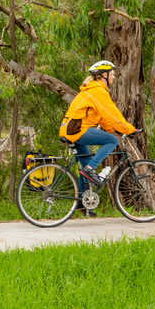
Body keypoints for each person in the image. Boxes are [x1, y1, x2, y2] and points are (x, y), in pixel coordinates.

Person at [60, 60, 137, 211]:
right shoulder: (98, 91)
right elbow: (112, 113)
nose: (114, 77)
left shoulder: (92, 90)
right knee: (111, 141)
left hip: (73, 130)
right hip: (78, 131)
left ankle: (81, 202)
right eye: (113, 74)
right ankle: (90, 169)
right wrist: (128, 129)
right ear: (104, 75)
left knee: (86, 165)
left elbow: (103, 118)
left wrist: (115, 129)